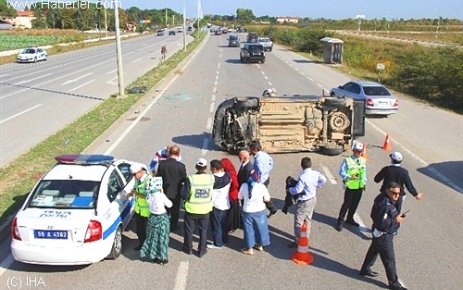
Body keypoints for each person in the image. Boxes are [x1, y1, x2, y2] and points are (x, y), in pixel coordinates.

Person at [359, 182, 408, 290]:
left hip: (378, 233)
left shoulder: (381, 198)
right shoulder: (386, 205)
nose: (397, 196)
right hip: (384, 235)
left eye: (398, 193)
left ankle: (365, 269)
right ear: (387, 191)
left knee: (374, 250)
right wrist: (396, 220)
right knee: (389, 260)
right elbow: (382, 224)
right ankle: (393, 283)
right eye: (394, 193)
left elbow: (373, 215)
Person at [287, 157, 327, 248]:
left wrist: (289, 190)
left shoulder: (303, 177)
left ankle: (298, 241)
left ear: (302, 166)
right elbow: (324, 180)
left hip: (304, 201)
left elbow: (298, 189)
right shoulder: (315, 173)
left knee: (298, 222)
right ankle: (306, 237)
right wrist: (317, 186)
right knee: (308, 219)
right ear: (310, 164)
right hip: (312, 199)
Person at [181, 158, 215, 258]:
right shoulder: (211, 178)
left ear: (196, 167)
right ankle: (202, 250)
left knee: (189, 230)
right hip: (205, 209)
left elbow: (184, 194)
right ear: (206, 167)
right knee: (203, 230)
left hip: (191, 209)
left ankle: (188, 248)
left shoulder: (191, 179)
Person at [140, 177, 172, 265]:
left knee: (152, 237)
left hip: (152, 217)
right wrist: (163, 193)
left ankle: (152, 255)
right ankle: (163, 257)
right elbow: (169, 204)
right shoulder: (160, 195)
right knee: (162, 238)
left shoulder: (148, 195)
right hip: (162, 218)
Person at [335, 142, 367, 231]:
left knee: (355, 204)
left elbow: (364, 173)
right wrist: (349, 177)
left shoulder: (362, 160)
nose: (359, 153)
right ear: (353, 151)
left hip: (359, 186)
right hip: (350, 186)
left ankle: (350, 218)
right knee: (346, 204)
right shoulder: (347, 160)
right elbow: (341, 172)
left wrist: (364, 183)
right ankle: (340, 220)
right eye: (357, 151)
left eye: (360, 151)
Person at [238, 170, 271, 255]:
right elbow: (267, 199)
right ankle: (260, 244)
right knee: (261, 228)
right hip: (260, 210)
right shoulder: (262, 186)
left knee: (249, 229)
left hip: (247, 211)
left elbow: (240, 196)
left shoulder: (244, 186)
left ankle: (249, 248)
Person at [156, 145, 186, 231]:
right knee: (175, 210)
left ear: (169, 153)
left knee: (164, 209)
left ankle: (163, 225)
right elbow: (183, 178)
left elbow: (158, 177)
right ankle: (173, 225)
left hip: (164, 191)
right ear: (178, 154)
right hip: (176, 191)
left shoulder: (162, 164)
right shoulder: (181, 166)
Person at [249, 140, 278, 218]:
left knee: (261, 196)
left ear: (254, 150)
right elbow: (271, 162)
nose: (250, 152)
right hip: (266, 178)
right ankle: (271, 209)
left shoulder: (258, 159)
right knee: (264, 195)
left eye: (251, 149)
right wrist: (267, 170)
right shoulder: (264, 154)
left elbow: (260, 172)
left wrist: (258, 181)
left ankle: (270, 209)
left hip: (261, 181)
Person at [126, 163, 151, 251]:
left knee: (148, 231)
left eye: (134, 174)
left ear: (140, 172)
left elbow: (147, 195)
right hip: (139, 210)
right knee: (139, 231)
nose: (134, 176)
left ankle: (149, 248)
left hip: (148, 212)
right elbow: (135, 189)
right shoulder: (137, 179)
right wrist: (129, 194)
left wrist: (135, 193)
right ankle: (141, 244)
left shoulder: (149, 181)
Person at [207, 160, 232, 250]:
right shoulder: (228, 176)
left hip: (216, 205)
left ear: (214, 169)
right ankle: (224, 239)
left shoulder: (212, 179)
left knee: (216, 225)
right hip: (226, 204)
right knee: (224, 224)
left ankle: (218, 243)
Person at [220, 157, 241, 233]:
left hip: (232, 196)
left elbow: (235, 184)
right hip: (233, 195)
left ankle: (231, 227)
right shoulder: (231, 170)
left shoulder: (230, 174)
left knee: (231, 214)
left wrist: (229, 190)